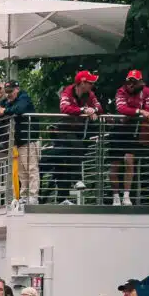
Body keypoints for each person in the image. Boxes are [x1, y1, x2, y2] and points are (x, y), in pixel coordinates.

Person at [112, 69, 149, 205]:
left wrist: (143, 113)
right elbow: (121, 109)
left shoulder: (147, 91)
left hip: (134, 131)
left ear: (140, 82)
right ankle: (115, 197)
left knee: (129, 161)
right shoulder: (121, 91)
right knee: (114, 164)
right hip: (118, 130)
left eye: (133, 82)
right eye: (128, 81)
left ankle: (126, 196)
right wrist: (139, 111)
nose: (130, 85)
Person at [55, 69, 101, 203]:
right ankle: (76, 180)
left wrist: (94, 110)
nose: (92, 85)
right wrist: (83, 110)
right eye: (90, 83)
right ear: (82, 83)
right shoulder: (67, 91)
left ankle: (62, 198)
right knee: (74, 150)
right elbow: (64, 108)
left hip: (78, 131)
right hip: (63, 131)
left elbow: (99, 107)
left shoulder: (90, 94)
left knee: (69, 159)